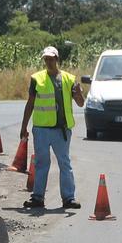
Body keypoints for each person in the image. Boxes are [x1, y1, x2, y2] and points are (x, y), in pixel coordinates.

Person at [19, 46, 84, 209]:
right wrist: (24, 126)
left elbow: (81, 103)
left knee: (64, 163)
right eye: (46, 59)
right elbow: (30, 103)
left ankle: (69, 198)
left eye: (51, 58)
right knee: (41, 163)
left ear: (57, 59)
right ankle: (38, 198)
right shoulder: (37, 79)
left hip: (61, 130)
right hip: (41, 129)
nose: (48, 61)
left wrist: (78, 93)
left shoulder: (69, 79)